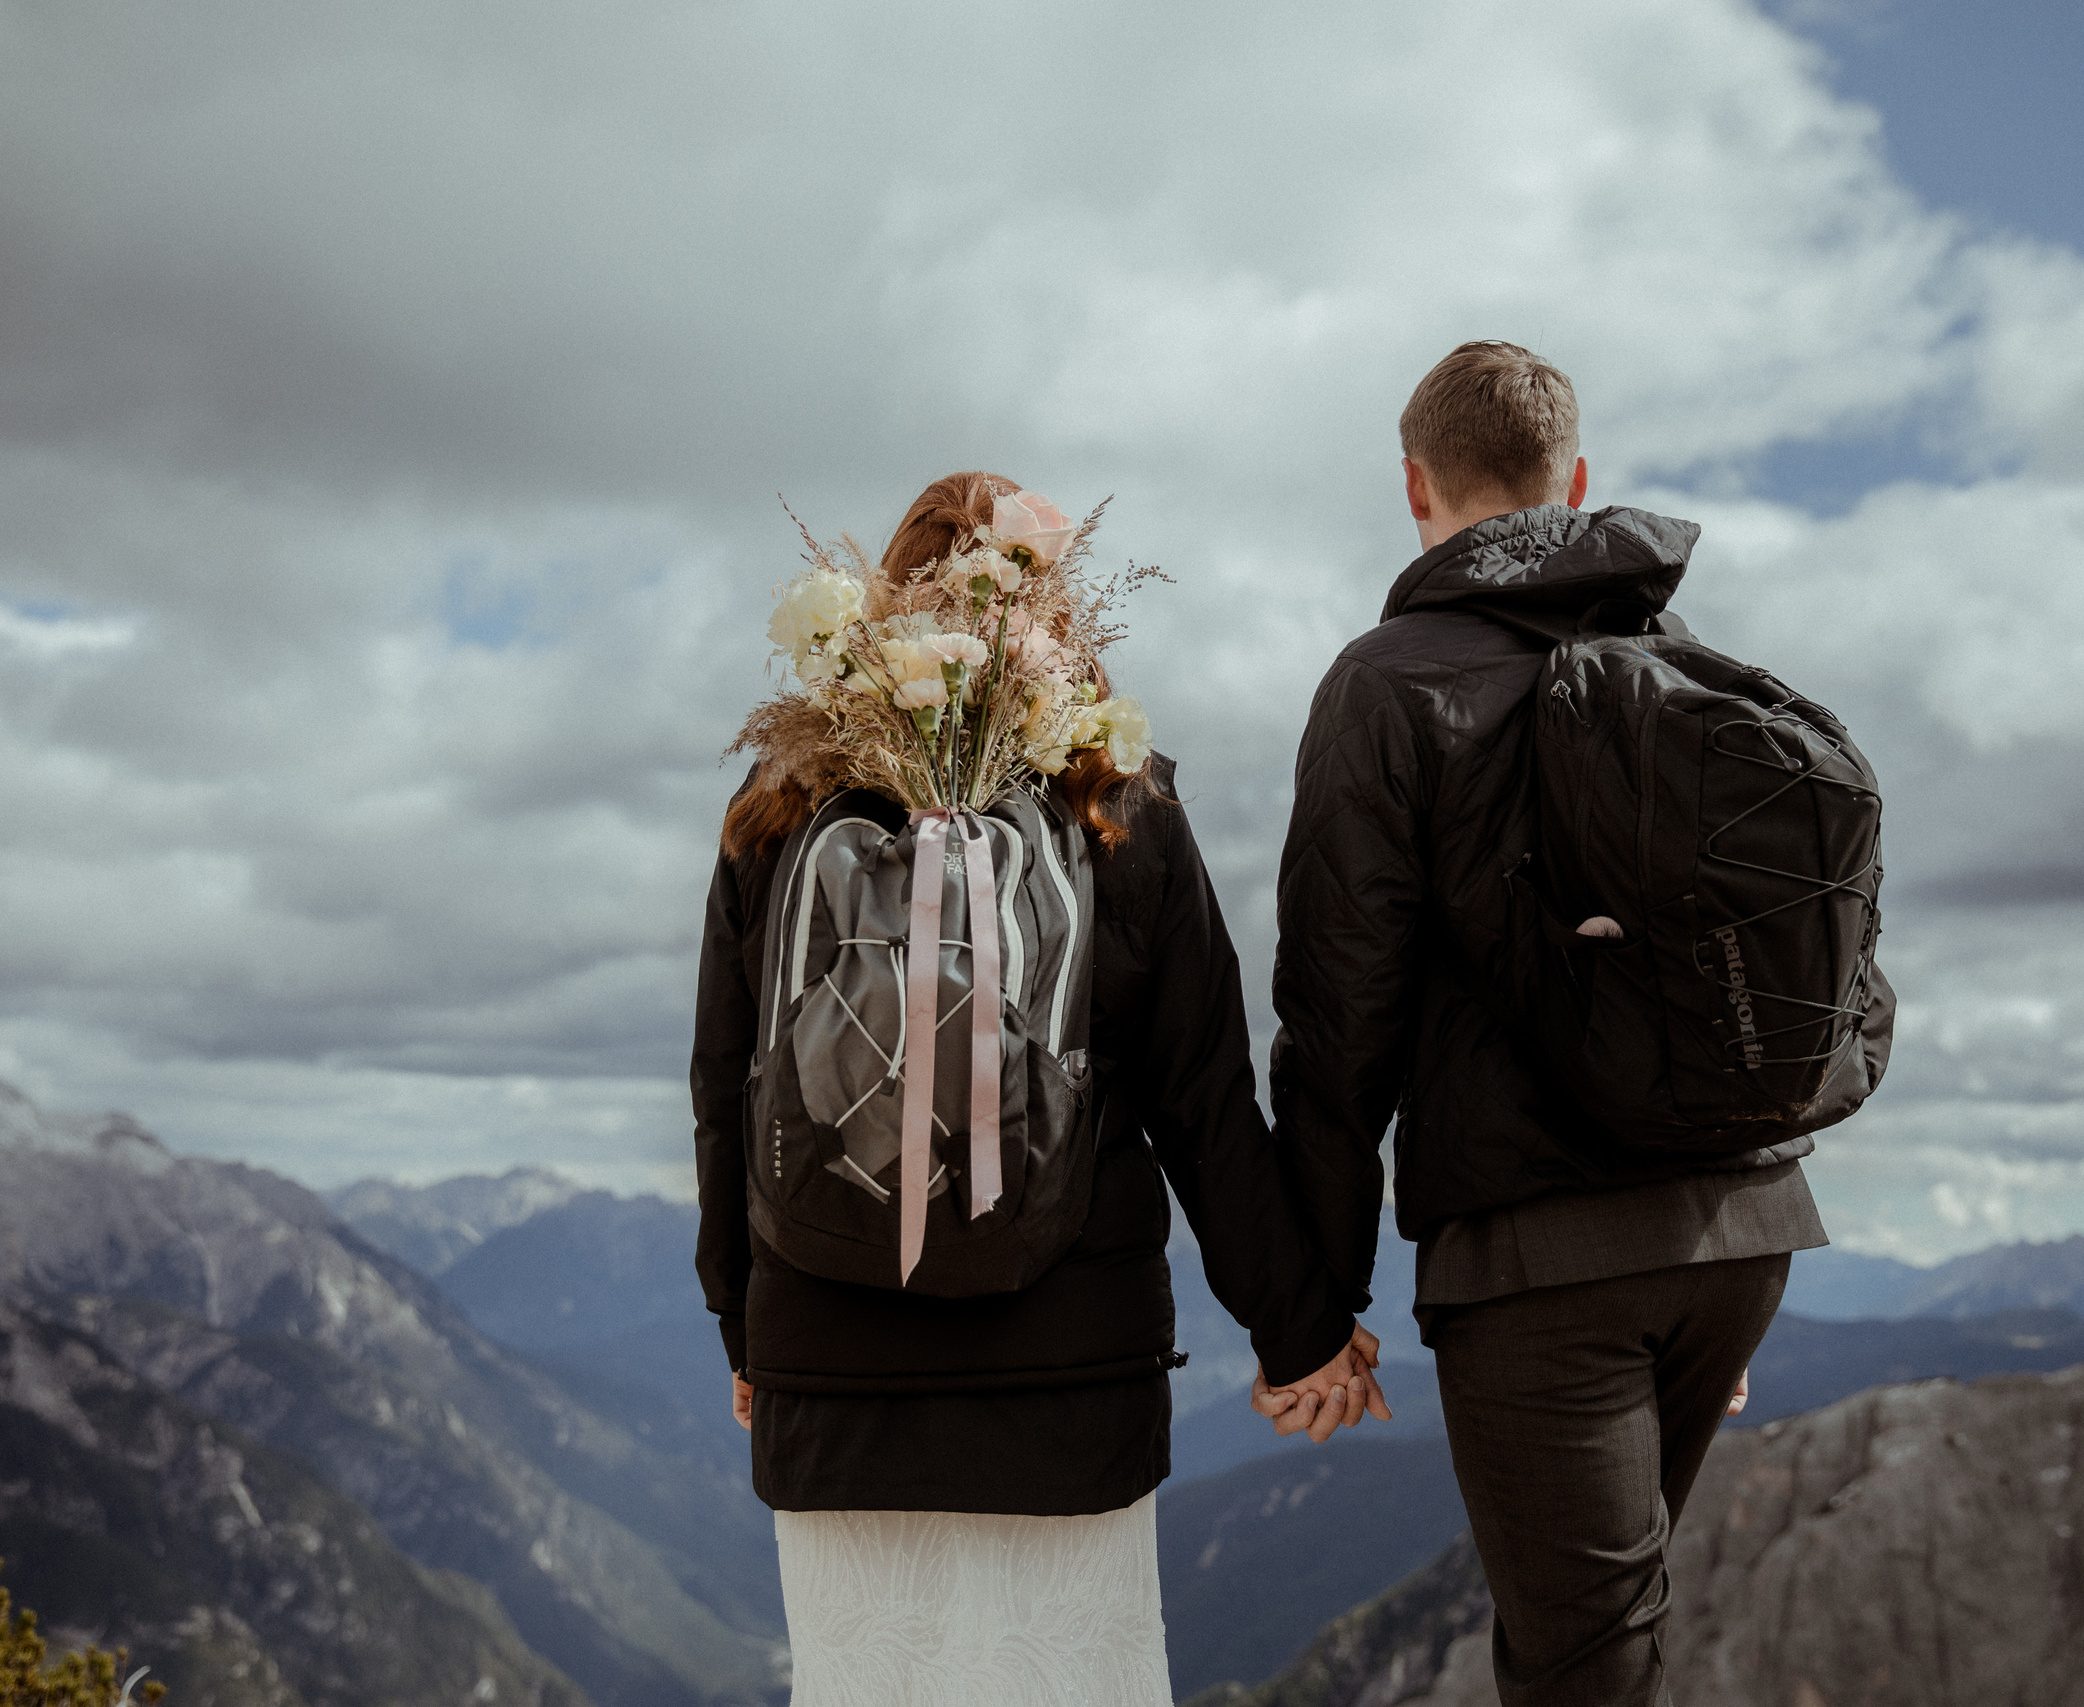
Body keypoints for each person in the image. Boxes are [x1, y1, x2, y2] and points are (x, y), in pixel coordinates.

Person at [693, 471, 1383, 1707]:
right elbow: (1204, 1106)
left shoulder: (779, 810)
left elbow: (725, 1091)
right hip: (1068, 1377)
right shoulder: (1117, 810)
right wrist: (1305, 1334)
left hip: (832, 1371)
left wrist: (744, 1325)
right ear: (1054, 616)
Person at [1266, 343, 1838, 1704]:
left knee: (1579, 1666)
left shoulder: (1386, 683)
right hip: (1740, 1235)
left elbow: (1340, 1017)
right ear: (1574, 480)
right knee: (1600, 1642)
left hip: (1539, 1260)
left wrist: (1316, 1305)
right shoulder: (1690, 663)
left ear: (1415, 487)